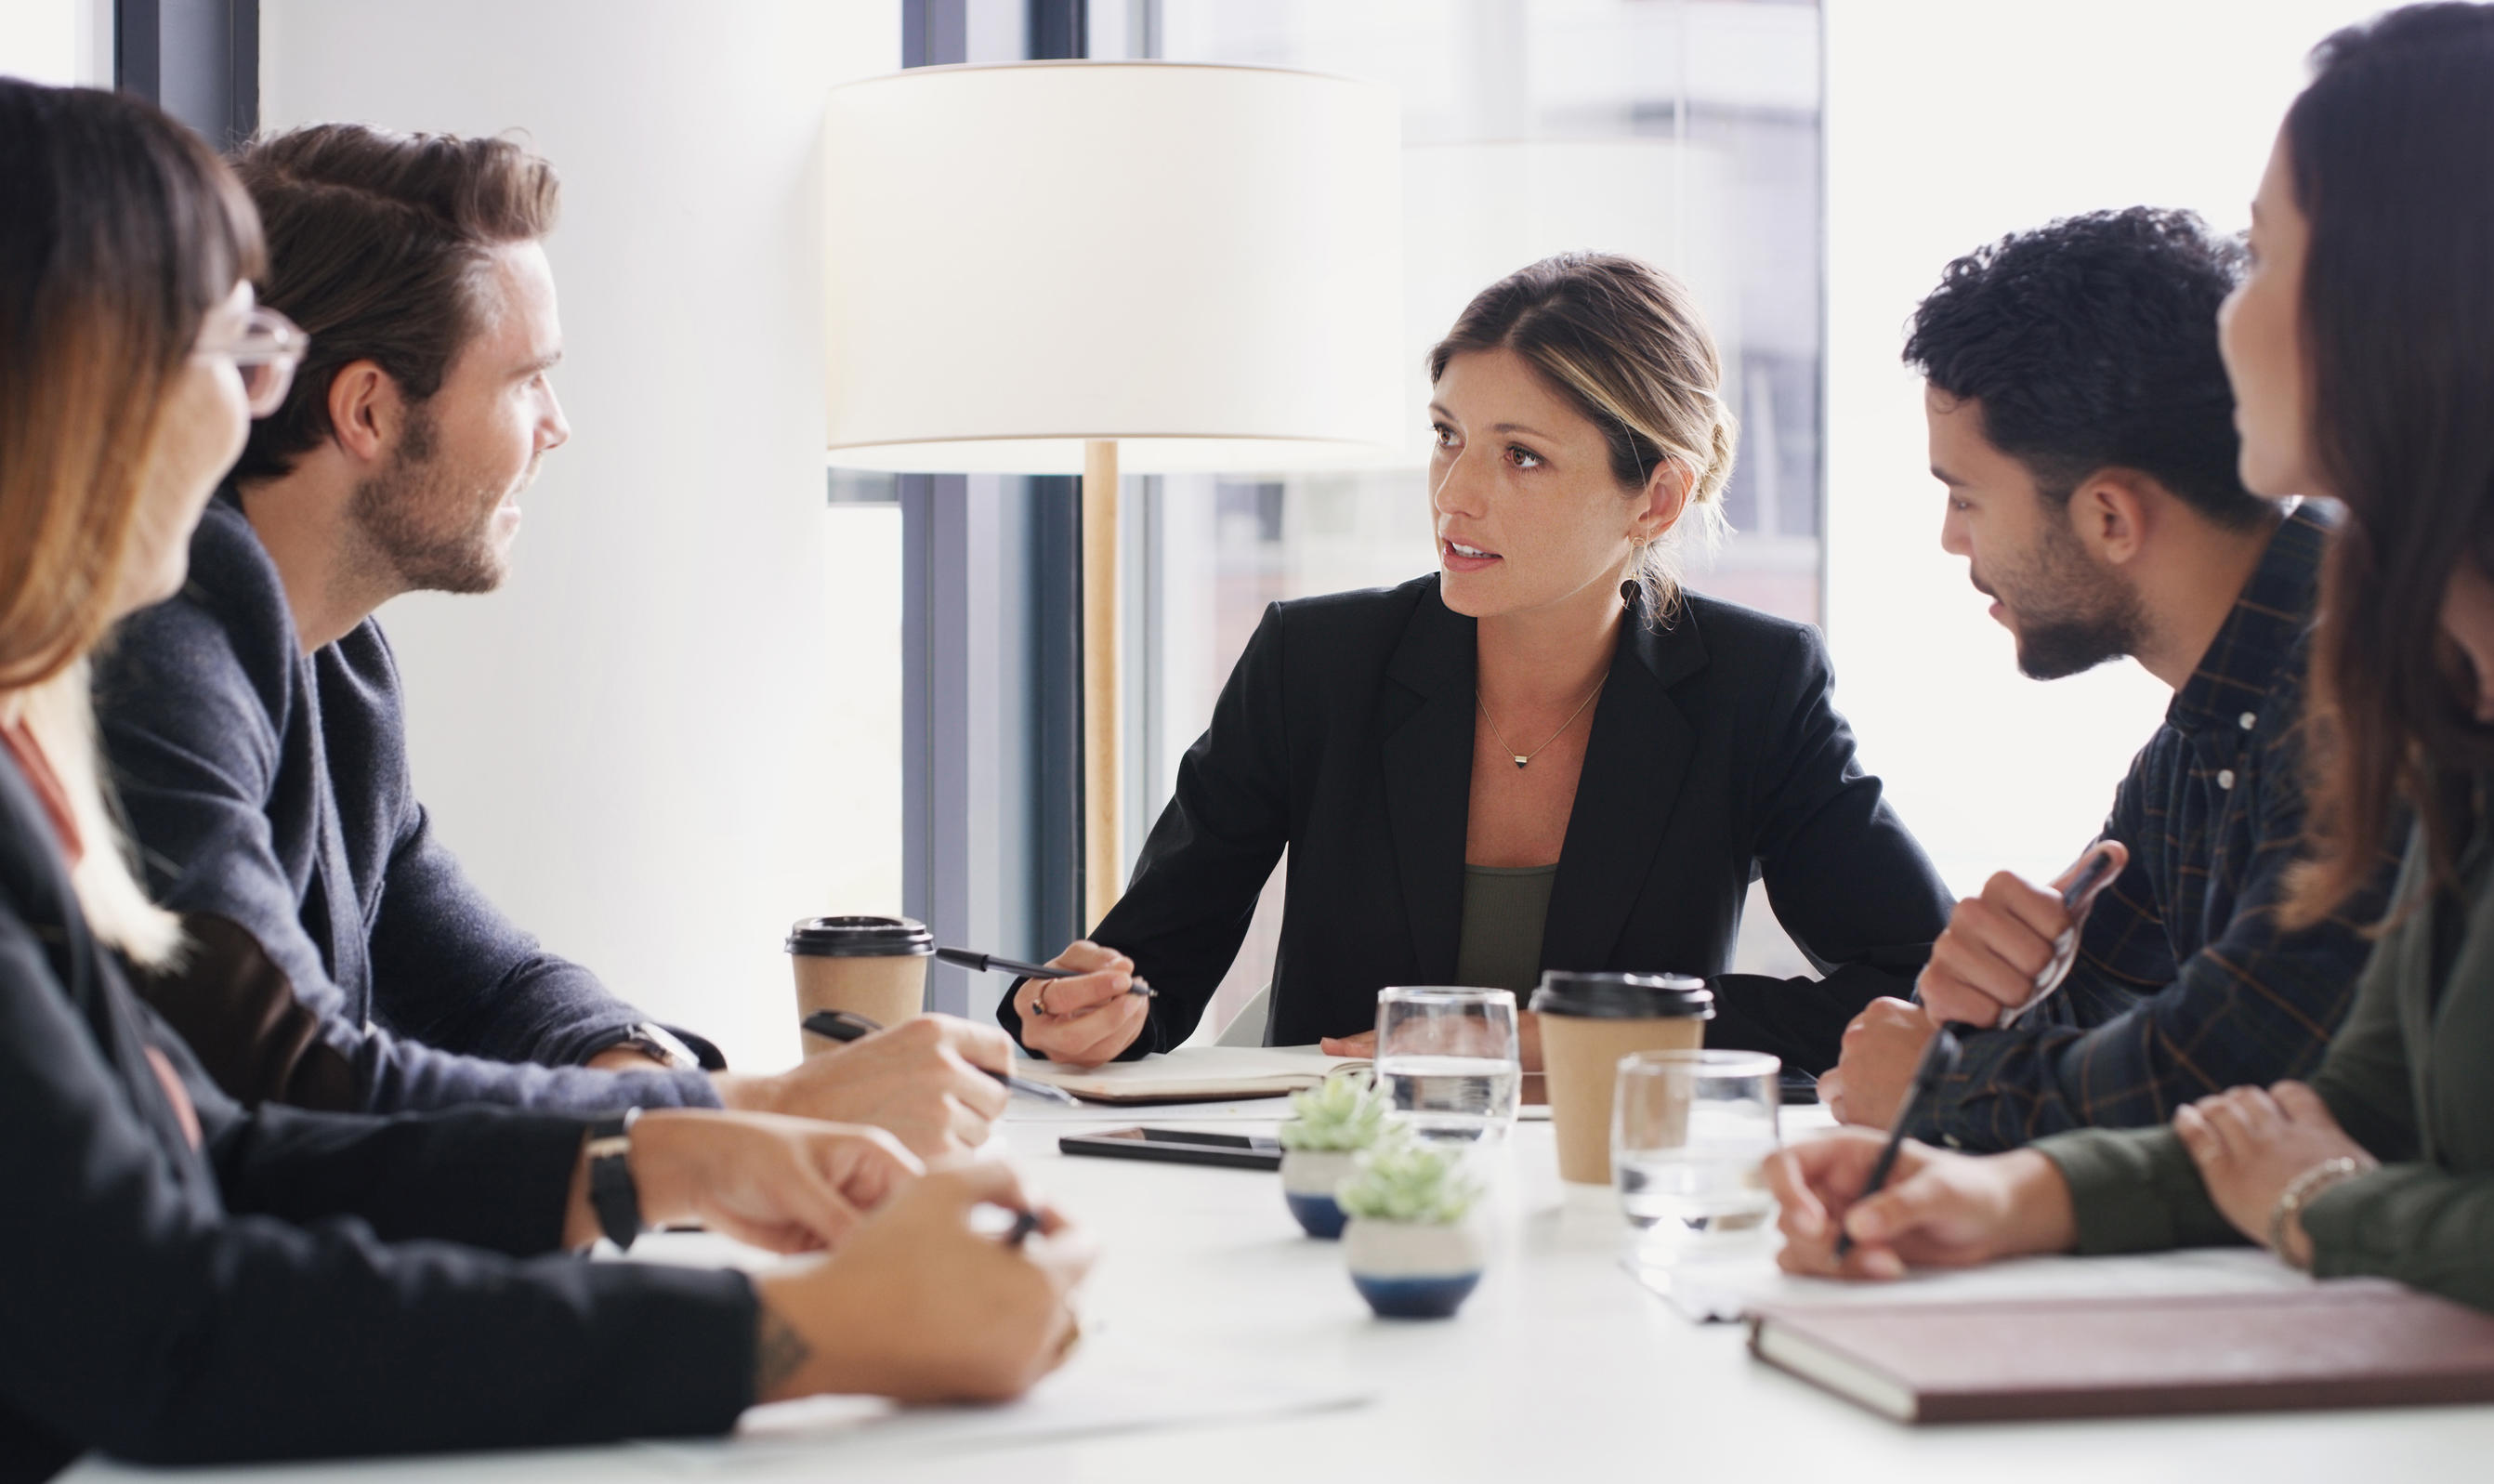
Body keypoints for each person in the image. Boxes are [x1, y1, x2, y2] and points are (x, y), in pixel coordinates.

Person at [0, 80, 1090, 1479]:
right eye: (231, 349)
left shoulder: (314, 675)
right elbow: (183, 1303)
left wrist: (681, 1145)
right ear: (83, 390)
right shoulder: (162, 648)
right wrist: (803, 1322)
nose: (244, 409)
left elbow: (220, 1148)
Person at [1767, 2, 2494, 1347]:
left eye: (2266, 259)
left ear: (2415, 303)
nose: (2228, 328)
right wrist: (2002, 1196)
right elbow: (2345, 1110)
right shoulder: (2447, 680)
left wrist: (2320, 1207)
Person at [92, 123, 1012, 1155]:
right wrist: (760, 1113)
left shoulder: (337, 661)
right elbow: (299, 1072)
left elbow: (493, 984)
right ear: (367, 410)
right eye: (526, 378)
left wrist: (641, 1075)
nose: (556, 424)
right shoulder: (158, 645)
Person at [1004, 254, 1952, 1073]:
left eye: (1523, 458)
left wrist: (1562, 1039)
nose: (1455, 494)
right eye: (1447, 437)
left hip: (1602, 1196)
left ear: (1655, 499)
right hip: (1338, 1186)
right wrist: (1082, 1012)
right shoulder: (1316, 662)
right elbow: (1148, 970)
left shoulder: (1756, 685)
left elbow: (1921, 986)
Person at [1813, 209, 2391, 1147]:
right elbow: (2112, 1026)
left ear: (2110, 517)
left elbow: (2238, 1079)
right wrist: (1999, 1000)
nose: (1951, 539)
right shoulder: (2198, 741)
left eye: (1965, 497)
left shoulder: (2353, 693)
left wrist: (1943, 1086)